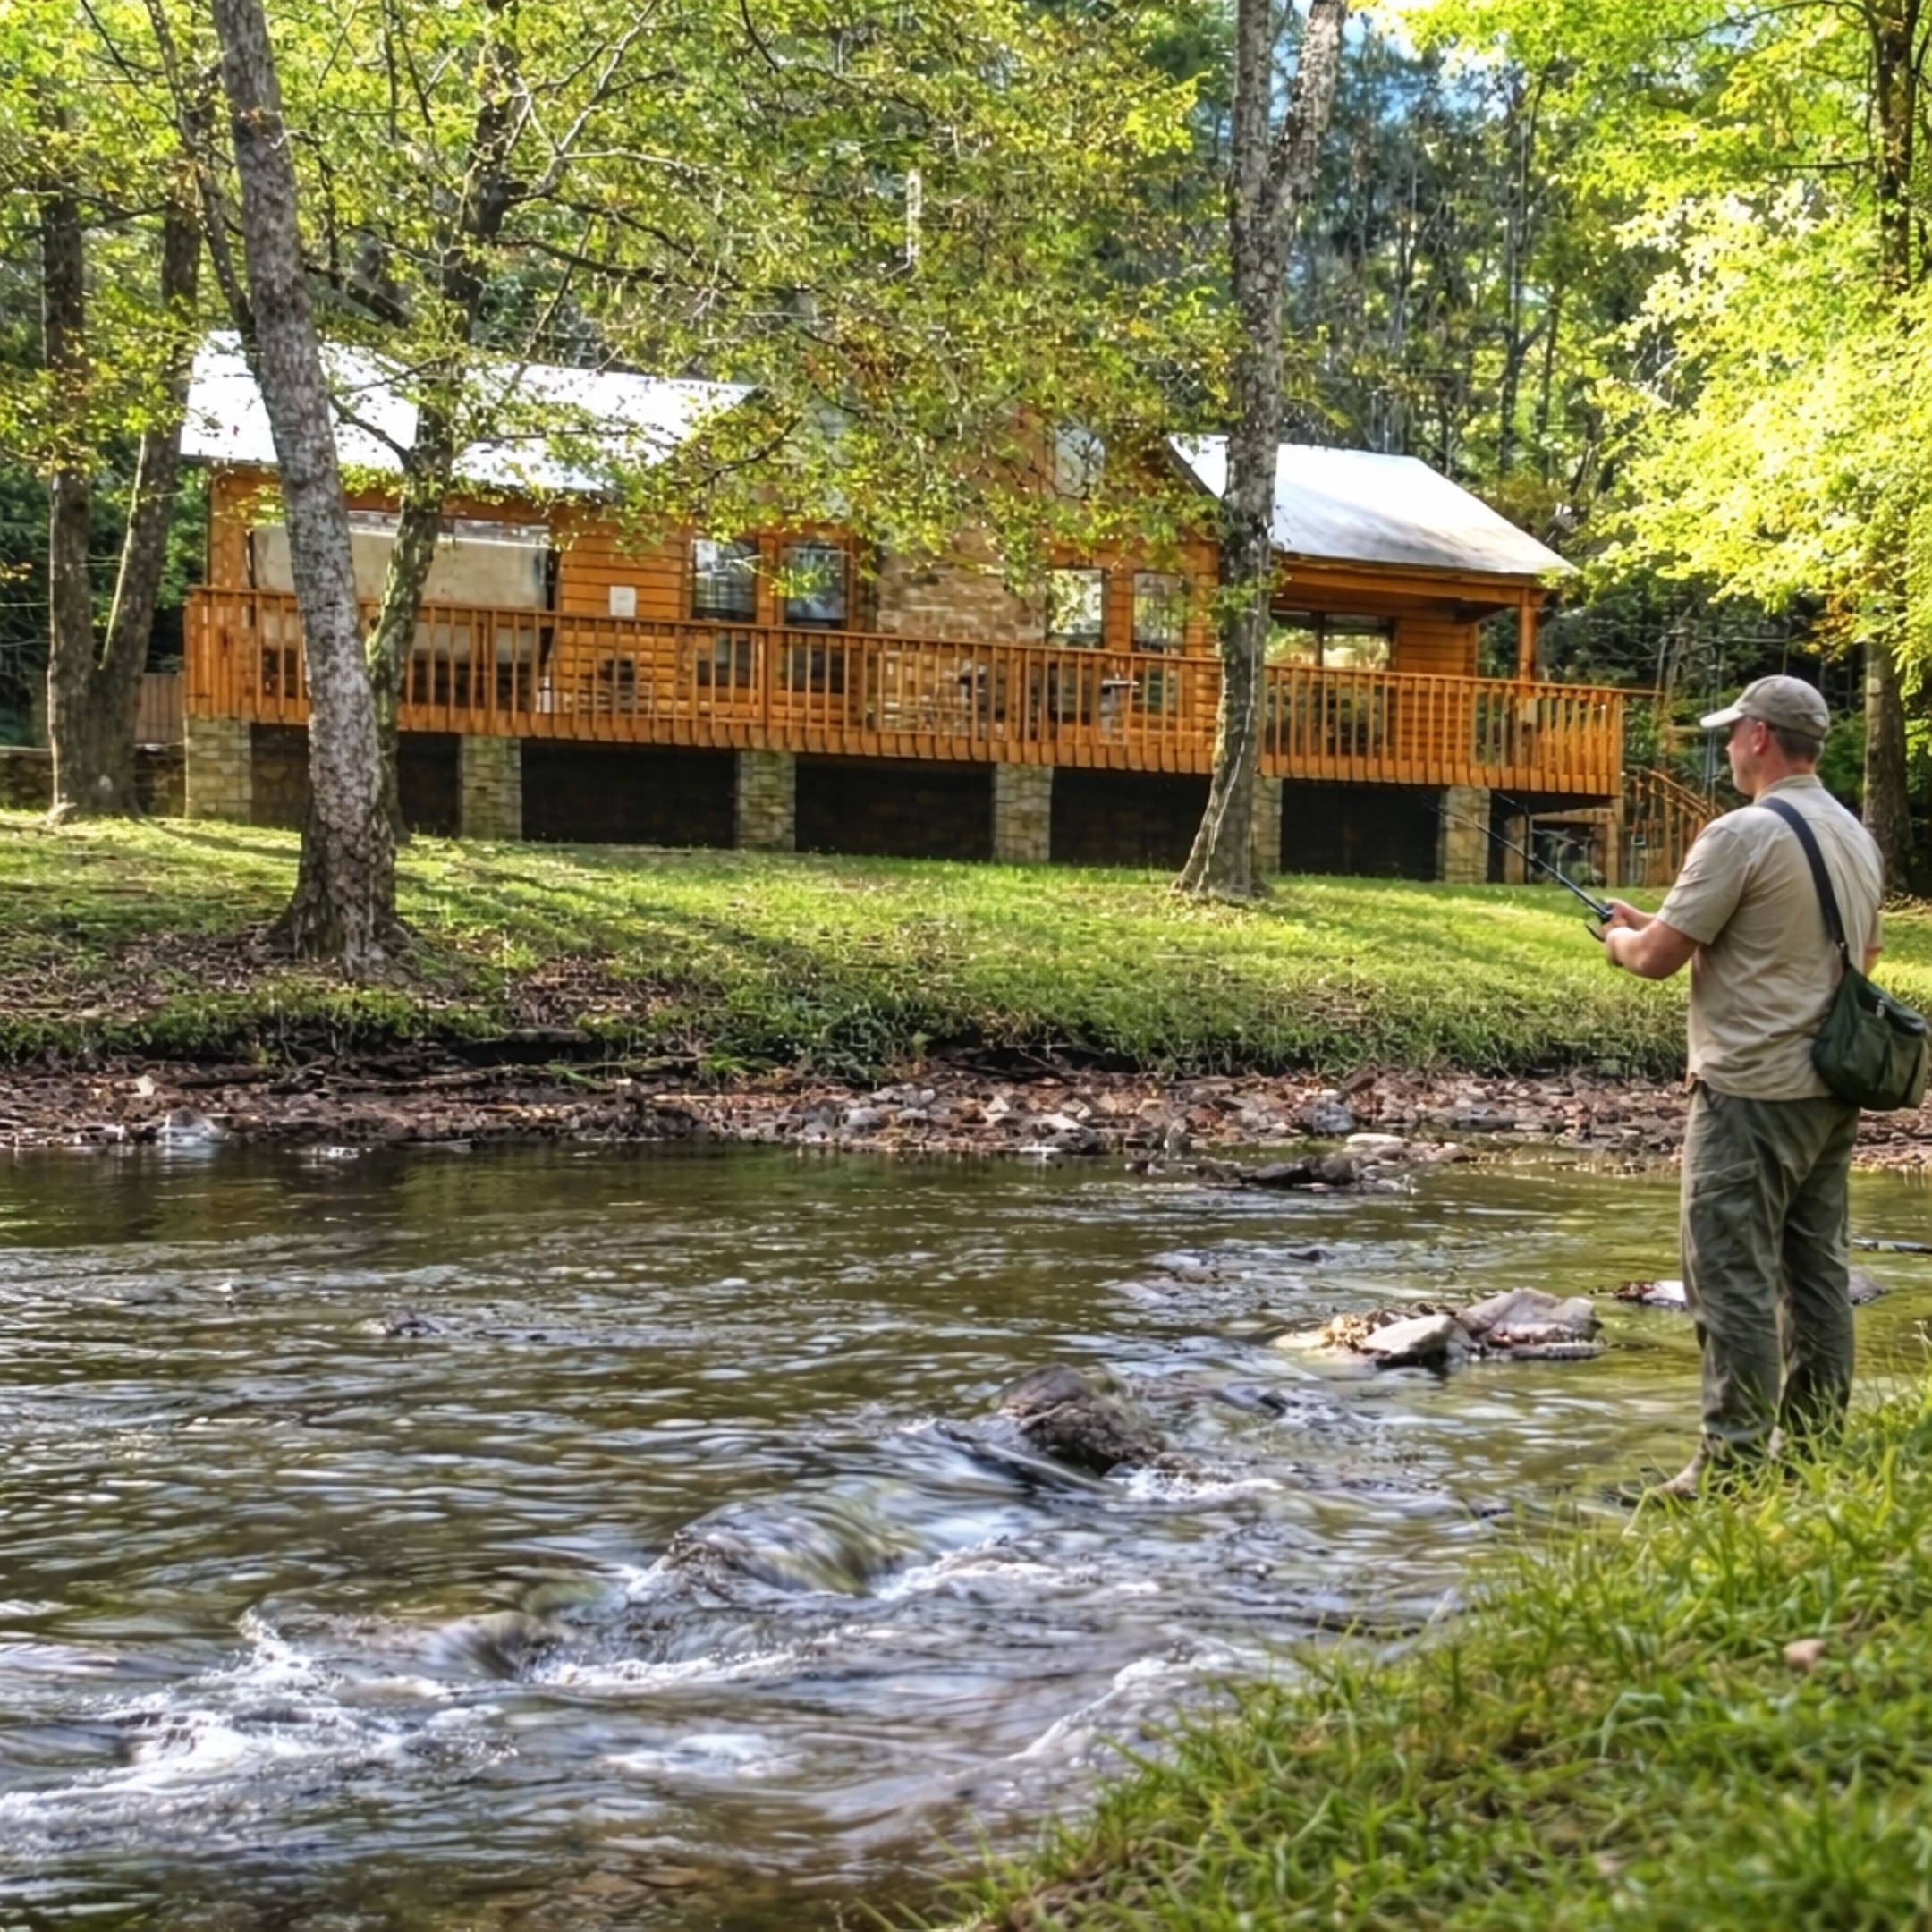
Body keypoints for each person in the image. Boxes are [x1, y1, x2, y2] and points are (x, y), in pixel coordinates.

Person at [1602, 675, 1884, 1499]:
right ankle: (1809, 1454)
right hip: (1830, 1089)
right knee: (1816, 1277)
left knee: (1729, 1278)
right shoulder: (1854, 835)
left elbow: (1656, 960)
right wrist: (1654, 921)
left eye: (1732, 732)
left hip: (1750, 1092)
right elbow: (1859, 957)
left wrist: (1617, 939)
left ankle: (1727, 1469)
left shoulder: (1740, 833)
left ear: (1759, 736)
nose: (1726, 745)